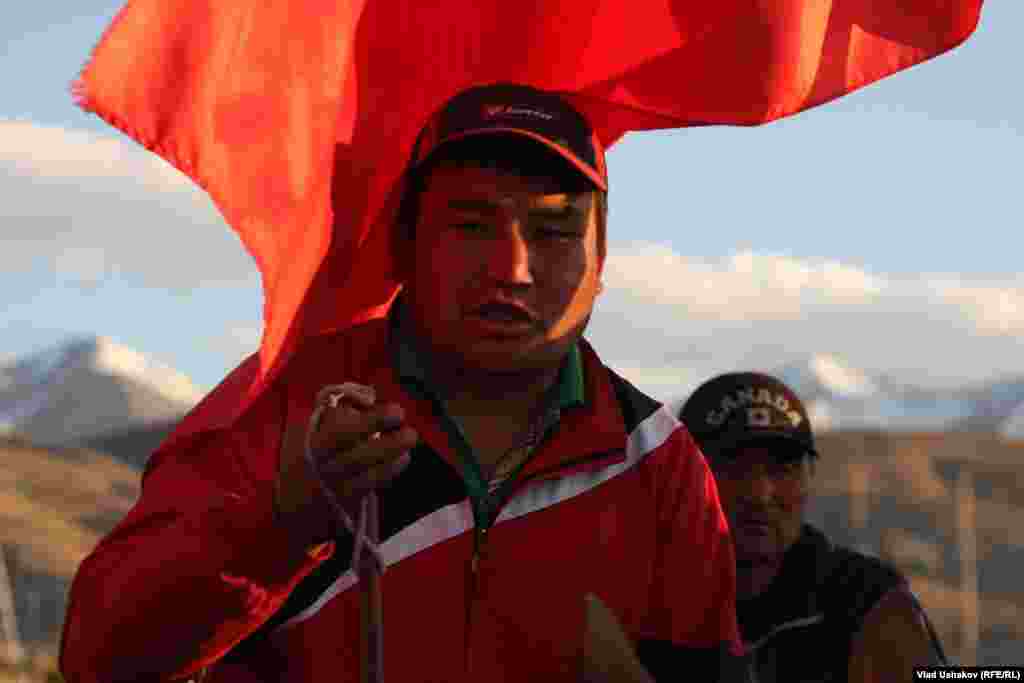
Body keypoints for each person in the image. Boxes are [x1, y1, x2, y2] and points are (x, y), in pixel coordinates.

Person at [60, 84, 747, 682]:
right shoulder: (288, 404)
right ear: (405, 245)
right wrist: (282, 520)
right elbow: (100, 651)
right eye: (471, 225)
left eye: (555, 231)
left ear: (601, 261)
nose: (512, 268)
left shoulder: (658, 461)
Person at [679, 372, 949, 683]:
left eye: (783, 468)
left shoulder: (867, 603)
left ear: (809, 479)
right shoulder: (638, 603)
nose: (760, 493)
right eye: (732, 468)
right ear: (684, 479)